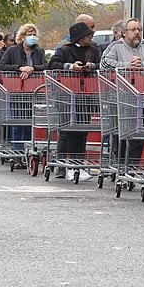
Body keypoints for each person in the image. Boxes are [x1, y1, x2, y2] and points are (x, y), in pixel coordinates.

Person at [48, 21, 101, 180]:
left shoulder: (94, 50)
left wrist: (91, 66)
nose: (90, 37)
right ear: (79, 37)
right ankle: (64, 164)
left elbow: (101, 65)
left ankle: (78, 163)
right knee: (67, 130)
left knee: (82, 131)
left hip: (86, 95)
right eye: (87, 35)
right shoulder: (64, 50)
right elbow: (53, 65)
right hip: (66, 95)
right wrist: (71, 66)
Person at [100, 18, 144, 171]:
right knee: (120, 134)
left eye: (139, 30)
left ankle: (132, 166)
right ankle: (119, 164)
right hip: (120, 98)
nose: (137, 33)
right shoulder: (115, 47)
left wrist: (142, 65)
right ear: (124, 33)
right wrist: (127, 65)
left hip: (143, 98)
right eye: (133, 30)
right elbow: (104, 64)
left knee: (140, 134)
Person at [0, 23, 48, 150]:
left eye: (34, 35)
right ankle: (17, 152)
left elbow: (46, 66)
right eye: (29, 35)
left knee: (30, 122)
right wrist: (19, 68)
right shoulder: (12, 50)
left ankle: (28, 151)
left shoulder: (38, 51)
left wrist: (32, 68)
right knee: (17, 122)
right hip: (16, 91)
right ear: (23, 37)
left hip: (33, 91)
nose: (32, 37)